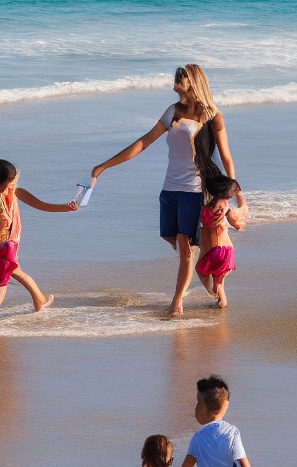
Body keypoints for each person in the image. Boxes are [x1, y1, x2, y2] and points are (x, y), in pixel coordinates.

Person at [89, 64, 237, 317]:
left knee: (183, 244)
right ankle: (206, 265)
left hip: (194, 190)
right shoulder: (173, 111)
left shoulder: (212, 116)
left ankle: (177, 301)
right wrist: (103, 166)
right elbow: (144, 142)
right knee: (170, 236)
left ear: (191, 83)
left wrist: (227, 196)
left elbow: (226, 158)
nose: (174, 82)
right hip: (169, 188)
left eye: (179, 79)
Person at [0, 159, 77, 322]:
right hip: (9, 242)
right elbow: (41, 205)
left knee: (7, 273)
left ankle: (36, 301)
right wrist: (65, 208)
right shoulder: (14, 192)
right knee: (9, 274)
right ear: (11, 179)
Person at [195, 175, 247, 310]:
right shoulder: (226, 208)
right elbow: (235, 223)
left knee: (202, 271)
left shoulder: (205, 208)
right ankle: (218, 297)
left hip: (213, 249)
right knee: (218, 277)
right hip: (226, 248)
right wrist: (240, 225)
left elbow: (203, 222)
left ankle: (219, 298)